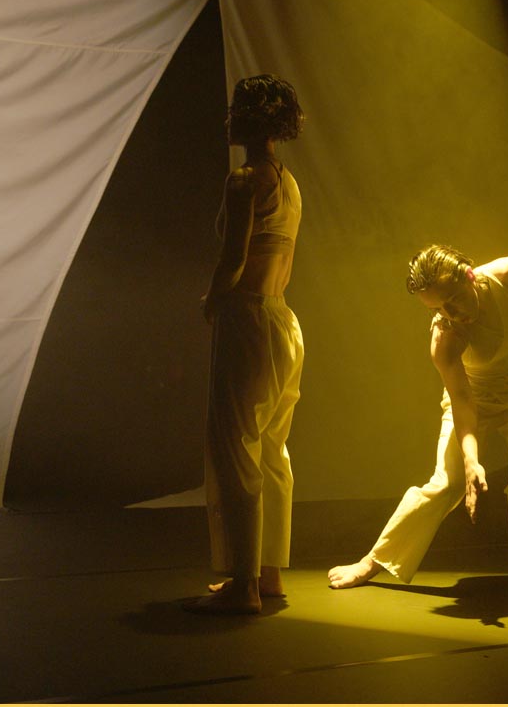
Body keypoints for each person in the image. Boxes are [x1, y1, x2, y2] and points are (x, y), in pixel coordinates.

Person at [327, 245, 508, 594]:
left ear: (469, 276)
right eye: (437, 308)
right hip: (476, 400)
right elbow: (463, 404)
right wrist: (471, 462)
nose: (450, 314)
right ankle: (373, 560)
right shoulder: (445, 338)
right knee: (446, 483)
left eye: (453, 300)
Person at [188, 74, 306, 615]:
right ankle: (268, 572)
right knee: (273, 450)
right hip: (283, 319)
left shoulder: (244, 181)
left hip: (249, 319)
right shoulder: (289, 183)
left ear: (250, 119)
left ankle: (245, 584)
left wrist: (212, 299)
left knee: (236, 450)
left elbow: (234, 260)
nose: (229, 117)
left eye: (236, 109)